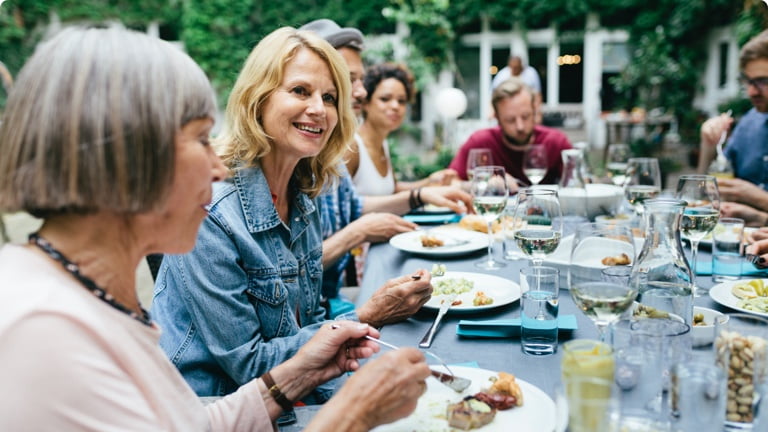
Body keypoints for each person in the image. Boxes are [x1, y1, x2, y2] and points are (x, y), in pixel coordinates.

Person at [0, 26, 430, 431]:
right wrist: (350, 416)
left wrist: (303, 372)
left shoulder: (92, 296)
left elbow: (193, 423)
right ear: (125, 154)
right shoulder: (41, 328)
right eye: (202, 138)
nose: (218, 165)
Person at [151, 27, 434, 398]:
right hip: (213, 405)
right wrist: (365, 317)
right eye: (300, 91)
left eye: (330, 97)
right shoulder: (211, 211)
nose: (318, 108)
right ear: (258, 98)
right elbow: (249, 365)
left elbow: (310, 321)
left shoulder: (302, 197)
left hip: (291, 390)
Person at [300, 19, 472, 316]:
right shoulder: (323, 154)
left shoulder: (330, 156)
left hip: (326, 302)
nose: (360, 92)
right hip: (318, 311)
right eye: (346, 79)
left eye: (359, 80)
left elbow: (356, 206)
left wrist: (421, 193)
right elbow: (287, 271)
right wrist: (359, 233)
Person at [348, 62, 457, 195]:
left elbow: (392, 190)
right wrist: (421, 195)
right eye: (385, 99)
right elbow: (345, 206)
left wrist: (430, 182)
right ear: (366, 103)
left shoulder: (382, 143)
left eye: (402, 101)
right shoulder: (352, 147)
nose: (395, 106)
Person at [448, 78, 572, 186]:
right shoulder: (480, 142)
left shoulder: (555, 142)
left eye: (525, 116)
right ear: (497, 118)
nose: (520, 126)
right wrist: (484, 184)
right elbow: (450, 182)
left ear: (535, 110)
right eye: (510, 120)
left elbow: (577, 184)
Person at [698, 30, 768, 214]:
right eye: (748, 81)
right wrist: (709, 146)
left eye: (763, 81)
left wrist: (759, 199)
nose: (752, 92)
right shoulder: (750, 123)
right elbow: (705, 193)